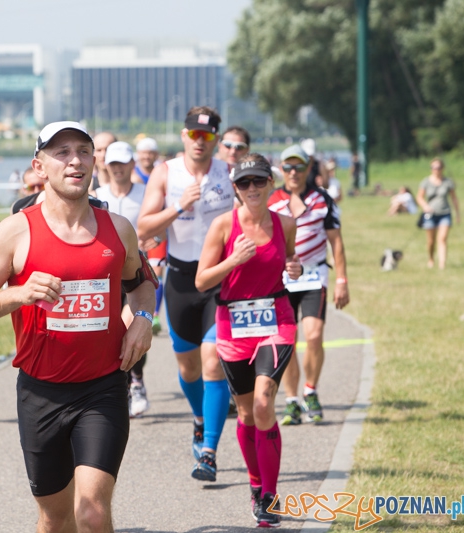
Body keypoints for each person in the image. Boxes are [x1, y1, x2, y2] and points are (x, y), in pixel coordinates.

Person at [0, 121, 155, 532]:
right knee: (54, 518)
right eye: (61, 152)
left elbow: (141, 286)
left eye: (83, 151)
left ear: (94, 163)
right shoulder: (15, 231)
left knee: (92, 512)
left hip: (102, 387)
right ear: (39, 166)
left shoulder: (118, 229)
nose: (75, 161)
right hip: (40, 393)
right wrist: (19, 293)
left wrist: (143, 319)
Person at [195, 154, 301, 527]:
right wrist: (233, 260)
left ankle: (270, 495)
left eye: (259, 181)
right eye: (244, 183)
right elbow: (202, 280)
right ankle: (255, 485)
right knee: (244, 413)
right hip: (233, 325)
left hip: (276, 320)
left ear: (271, 184)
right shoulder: (223, 226)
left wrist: (295, 266)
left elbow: (289, 259)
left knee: (262, 402)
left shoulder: (285, 222)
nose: (252, 189)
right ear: (235, 189)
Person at [137, 106, 235, 482]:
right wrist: (178, 206)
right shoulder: (166, 173)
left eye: (207, 136)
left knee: (213, 363)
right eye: (194, 135)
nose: (200, 142)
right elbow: (145, 225)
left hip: (218, 280)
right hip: (179, 279)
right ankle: (198, 419)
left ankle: (208, 450)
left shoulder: (228, 174)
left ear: (216, 140)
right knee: (189, 367)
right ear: (184, 136)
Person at [267, 144, 349, 426]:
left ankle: (310, 390)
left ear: (307, 168)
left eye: (299, 167)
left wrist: (342, 280)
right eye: (288, 167)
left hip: (314, 277)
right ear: (281, 170)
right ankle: (291, 400)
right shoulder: (272, 199)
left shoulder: (323, 199)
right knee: (288, 341)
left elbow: (336, 241)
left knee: (314, 336)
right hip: (282, 279)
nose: (293, 172)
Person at [93, 141, 154, 418]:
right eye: (113, 164)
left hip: (135, 272)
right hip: (105, 273)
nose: (118, 169)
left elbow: (160, 226)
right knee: (110, 330)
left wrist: (157, 245)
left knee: (132, 323)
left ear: (133, 164)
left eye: (123, 163)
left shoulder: (145, 193)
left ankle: (137, 381)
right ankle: (121, 385)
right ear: (107, 166)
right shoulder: (97, 194)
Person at [131, 137, 167, 336]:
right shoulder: (133, 175)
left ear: (155, 154)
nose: (146, 156)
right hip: (136, 233)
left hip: (156, 232)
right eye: (143, 153)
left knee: (157, 272)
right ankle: (136, 312)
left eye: (150, 153)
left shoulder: (161, 173)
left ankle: (154, 314)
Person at [416, 158, 460, 269]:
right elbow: (419, 197)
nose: (436, 170)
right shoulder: (426, 181)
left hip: (445, 213)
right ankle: (431, 259)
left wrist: (457, 213)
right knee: (431, 241)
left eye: (438, 167)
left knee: (442, 238)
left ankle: (442, 264)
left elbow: (454, 198)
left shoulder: (448, 182)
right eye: (434, 167)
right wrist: (425, 206)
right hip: (430, 214)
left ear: (442, 168)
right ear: (431, 169)